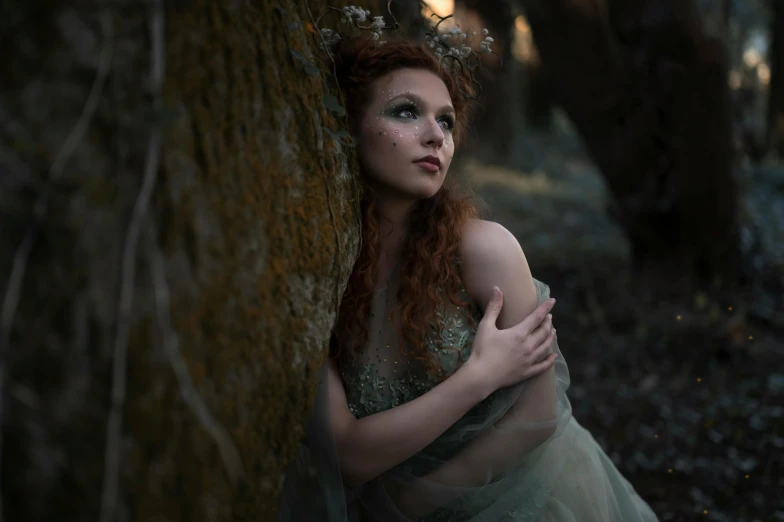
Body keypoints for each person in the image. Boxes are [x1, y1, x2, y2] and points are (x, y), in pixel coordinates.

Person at [279, 11, 658, 522]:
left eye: (446, 120)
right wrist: (478, 376)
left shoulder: (483, 250)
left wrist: (415, 504)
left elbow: (540, 413)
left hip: (531, 498)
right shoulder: (321, 268)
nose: (436, 135)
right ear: (349, 126)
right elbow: (347, 454)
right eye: (407, 111)